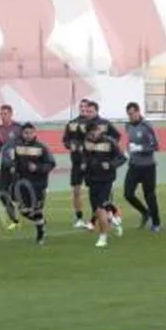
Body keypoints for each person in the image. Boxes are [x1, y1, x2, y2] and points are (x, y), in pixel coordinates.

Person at [81, 121, 127, 248]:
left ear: (98, 130)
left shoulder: (109, 142)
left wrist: (111, 165)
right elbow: (85, 156)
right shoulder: (87, 142)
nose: (91, 136)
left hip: (106, 180)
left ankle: (103, 238)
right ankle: (114, 222)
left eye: (93, 133)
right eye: (89, 134)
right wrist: (84, 164)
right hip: (91, 180)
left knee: (100, 209)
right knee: (97, 209)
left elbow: (122, 158)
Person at [123, 102, 162, 232]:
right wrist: (128, 150)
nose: (130, 116)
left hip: (148, 166)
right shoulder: (128, 126)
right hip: (134, 165)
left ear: (138, 112)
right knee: (128, 194)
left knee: (149, 195)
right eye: (128, 114)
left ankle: (156, 223)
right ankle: (145, 212)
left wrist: (140, 148)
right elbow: (130, 142)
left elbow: (155, 146)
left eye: (132, 114)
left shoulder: (146, 126)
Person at [62, 99, 92, 228]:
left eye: (86, 106)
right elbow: (66, 140)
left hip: (91, 162)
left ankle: (104, 214)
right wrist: (70, 145)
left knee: (96, 191)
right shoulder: (72, 123)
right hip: (76, 162)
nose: (83, 109)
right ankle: (79, 218)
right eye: (81, 106)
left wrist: (83, 147)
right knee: (76, 191)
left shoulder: (93, 123)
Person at [0, 104, 23, 229]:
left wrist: (18, 157)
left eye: (5, 113)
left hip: (16, 165)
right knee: (2, 194)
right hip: (4, 165)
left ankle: (28, 209)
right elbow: (0, 146)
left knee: (16, 194)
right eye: (1, 114)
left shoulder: (18, 128)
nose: (3, 116)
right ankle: (15, 220)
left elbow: (24, 144)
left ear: (11, 114)